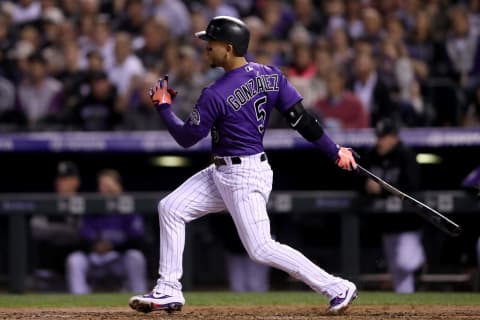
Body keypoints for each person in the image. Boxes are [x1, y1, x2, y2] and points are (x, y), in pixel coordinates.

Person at [129, 16, 358, 315]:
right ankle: (168, 289)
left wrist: (164, 108)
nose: (206, 49)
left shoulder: (216, 92)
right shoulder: (271, 75)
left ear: (228, 47)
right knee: (171, 208)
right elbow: (302, 119)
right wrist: (335, 150)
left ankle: (336, 287)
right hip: (226, 171)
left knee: (261, 247)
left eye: (210, 44)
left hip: (243, 174)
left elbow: (187, 138)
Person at [363, 118, 425, 293]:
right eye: (378, 137)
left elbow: (413, 185)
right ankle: (407, 306)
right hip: (387, 224)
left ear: (394, 137)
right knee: (397, 273)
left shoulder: (405, 154)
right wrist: (366, 188)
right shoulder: (371, 154)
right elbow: (357, 181)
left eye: (384, 137)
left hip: (408, 223)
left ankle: (421, 262)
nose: (379, 141)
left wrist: (381, 189)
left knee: (405, 262)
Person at [66, 169, 147, 294]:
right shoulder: (93, 206)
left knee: (136, 257)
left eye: (108, 186)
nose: (105, 190)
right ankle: (79, 301)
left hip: (118, 258)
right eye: (102, 186)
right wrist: (95, 246)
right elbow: (82, 238)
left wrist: (113, 246)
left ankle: (139, 295)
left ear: (119, 187)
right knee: (75, 259)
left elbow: (138, 240)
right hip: (95, 259)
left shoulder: (129, 208)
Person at [30, 161, 82, 290]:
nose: (60, 182)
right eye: (59, 179)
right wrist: (68, 231)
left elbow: (82, 234)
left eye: (65, 179)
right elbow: (37, 231)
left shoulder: (85, 203)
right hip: (49, 270)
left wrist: (54, 231)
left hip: (79, 270)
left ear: (76, 181)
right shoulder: (46, 203)